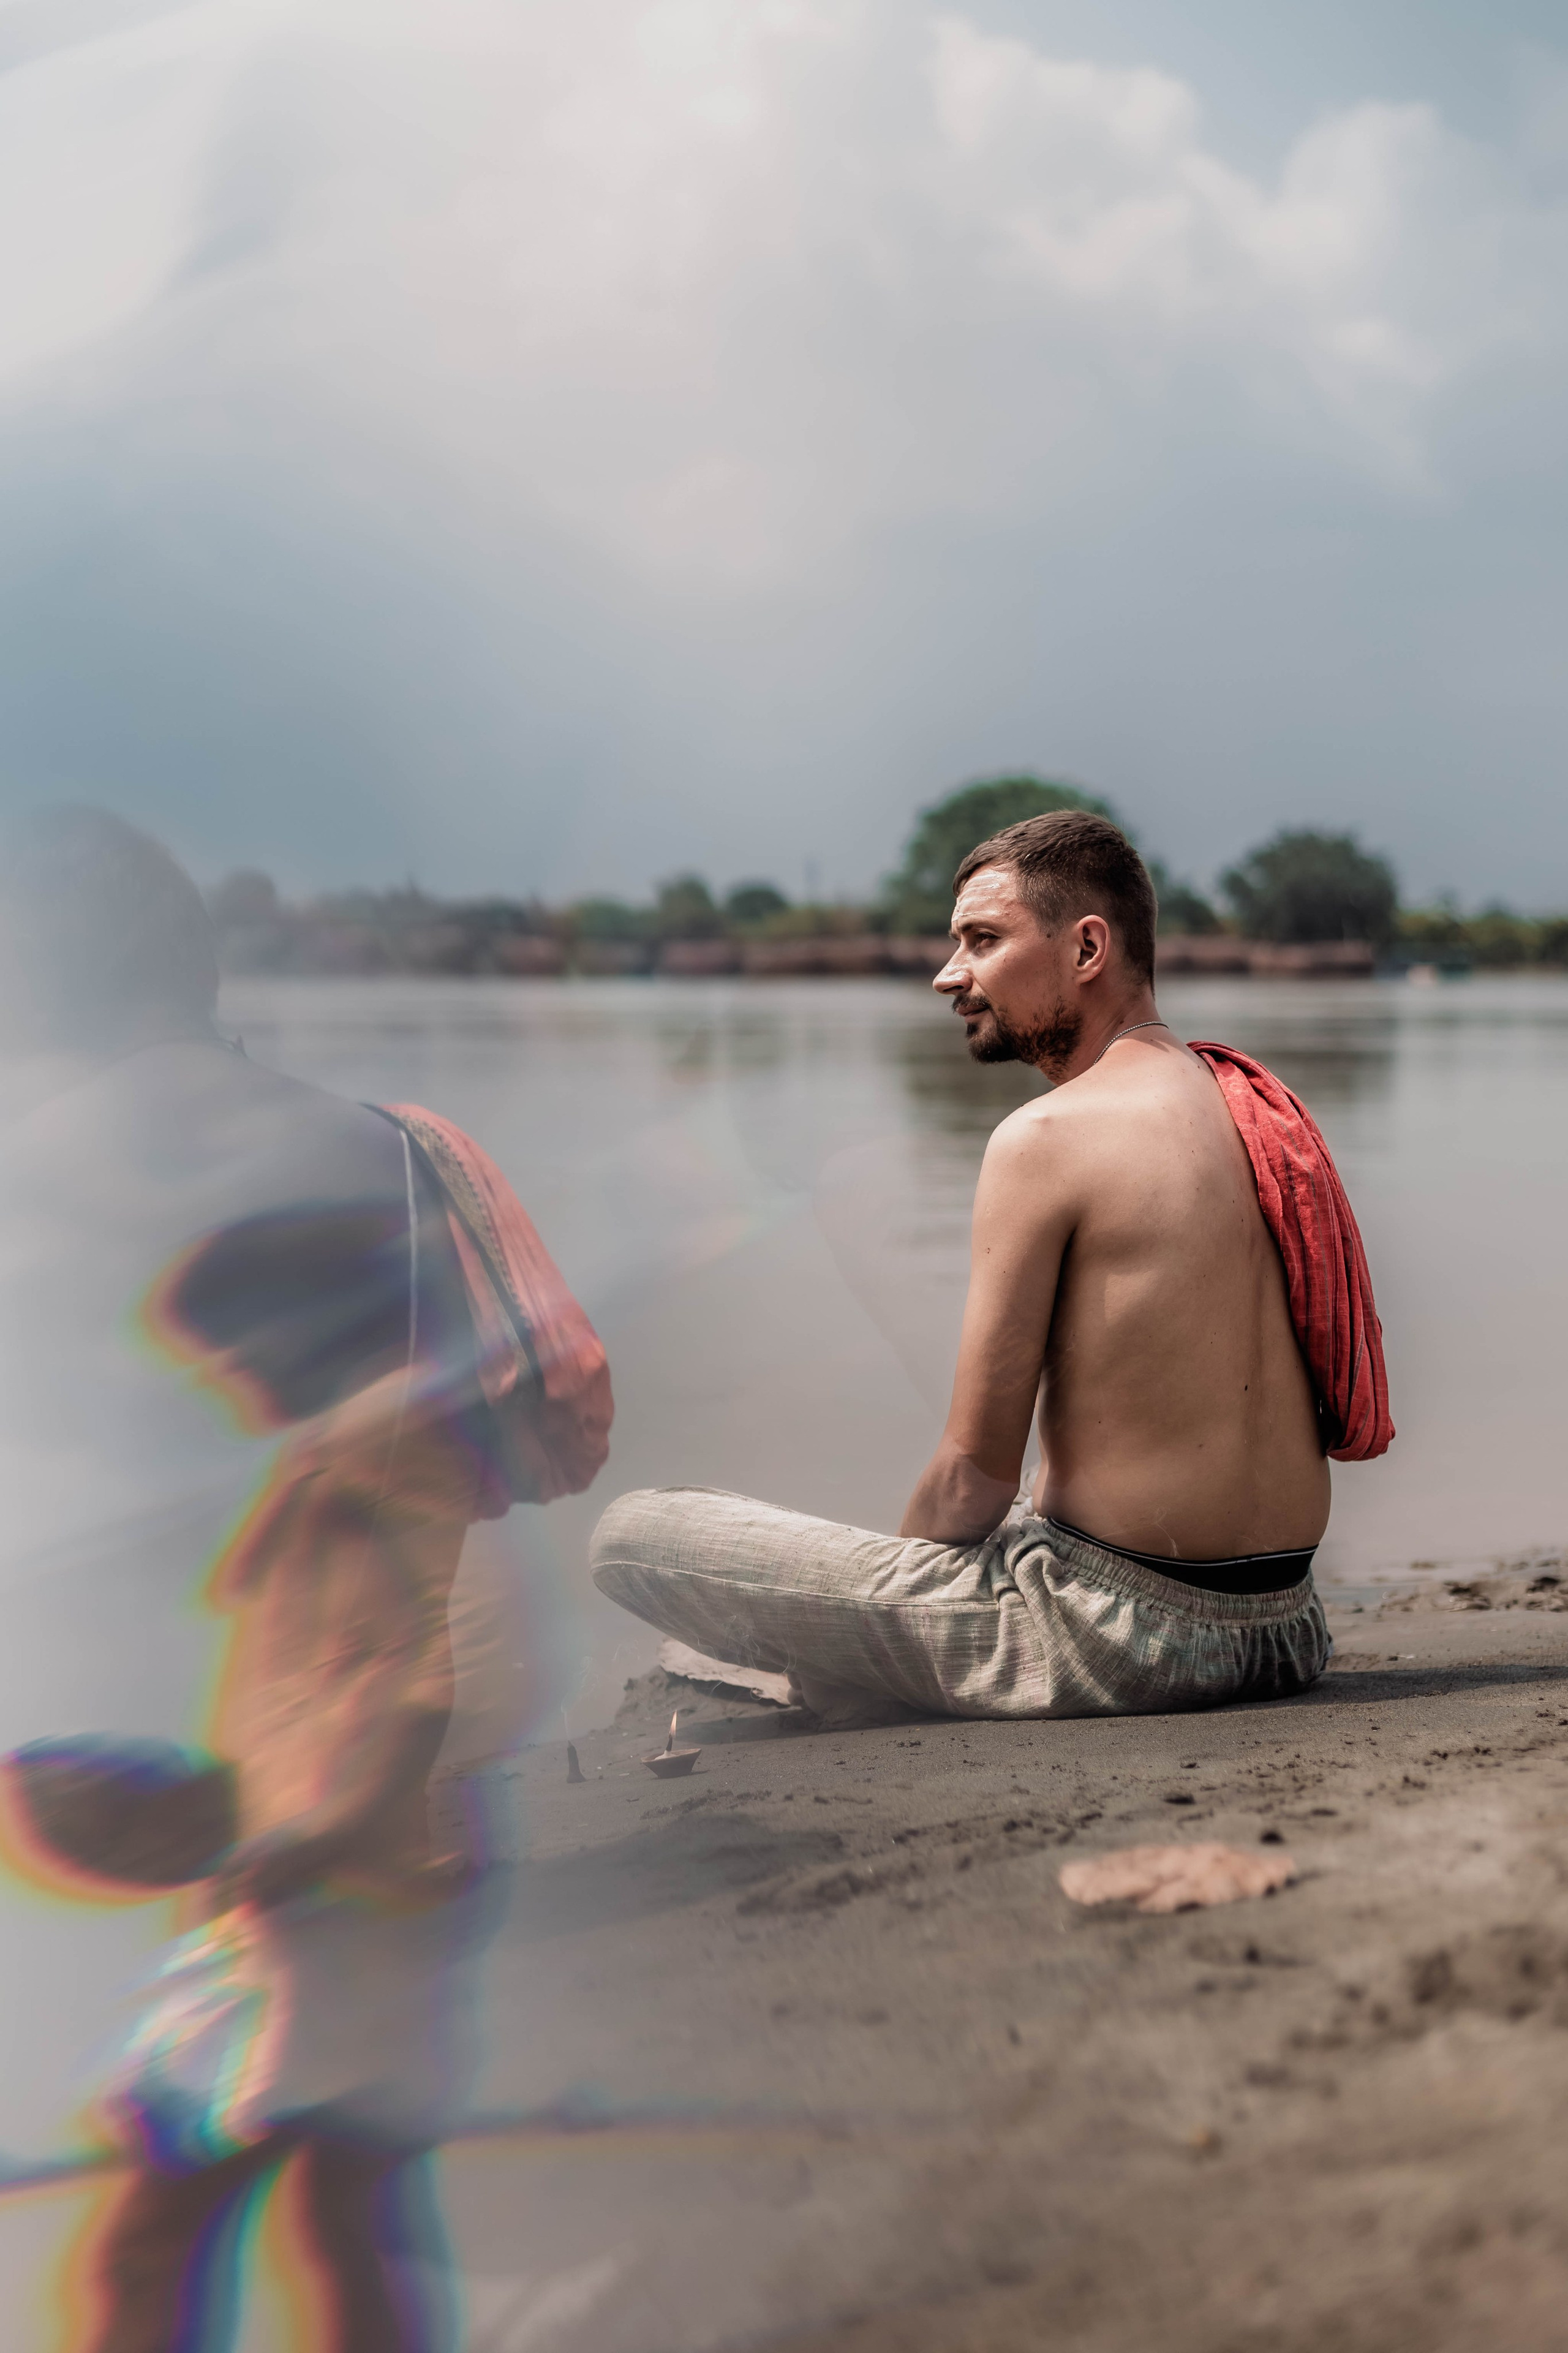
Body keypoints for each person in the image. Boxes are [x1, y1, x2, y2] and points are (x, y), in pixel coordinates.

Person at [0, 807, 609, 2351]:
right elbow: (494, 1443)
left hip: (194, 1784)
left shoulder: (34, 1166)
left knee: (147, 2248)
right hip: (395, 1743)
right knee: (353, 2201)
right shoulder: (387, 1147)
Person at [592, 810, 1390, 1724]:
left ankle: (856, 1671)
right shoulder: (1251, 1107)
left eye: (982, 940)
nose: (949, 975)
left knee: (631, 1536)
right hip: (1286, 1628)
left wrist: (878, 1620)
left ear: (1087, 946)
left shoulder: (1045, 1138)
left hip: (1122, 1640)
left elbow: (974, 1475)